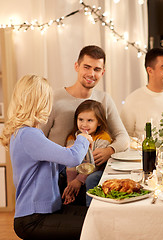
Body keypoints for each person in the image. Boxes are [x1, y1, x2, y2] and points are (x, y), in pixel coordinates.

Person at [0, 75, 93, 240]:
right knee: (94, 226)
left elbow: (50, 165)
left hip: (48, 210)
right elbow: (73, 159)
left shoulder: (26, 133)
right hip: (34, 218)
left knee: (97, 216)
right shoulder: (29, 134)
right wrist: (82, 138)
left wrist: (66, 152)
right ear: (40, 102)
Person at [41, 45, 129, 166]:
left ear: (102, 72)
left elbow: (123, 137)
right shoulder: (52, 98)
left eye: (97, 69)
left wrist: (109, 151)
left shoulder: (105, 100)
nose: (91, 74)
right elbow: (38, 138)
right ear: (76, 66)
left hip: (91, 172)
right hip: (56, 171)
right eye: (86, 67)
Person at [62, 100, 112, 206]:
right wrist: (71, 183)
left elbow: (95, 164)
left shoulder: (103, 137)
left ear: (99, 122)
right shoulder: (72, 137)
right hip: (78, 170)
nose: (84, 124)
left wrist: (79, 181)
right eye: (81, 119)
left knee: (92, 178)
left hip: (96, 169)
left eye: (90, 120)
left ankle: (90, 208)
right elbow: (70, 161)